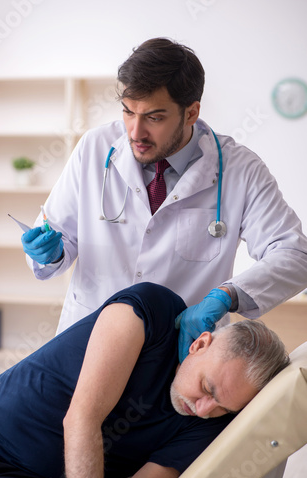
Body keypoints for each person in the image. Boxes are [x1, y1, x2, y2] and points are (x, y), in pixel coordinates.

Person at [21, 37, 307, 361]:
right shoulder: (94, 148)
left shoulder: (239, 169)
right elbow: (56, 235)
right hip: (86, 344)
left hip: (176, 356)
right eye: (128, 112)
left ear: (191, 113)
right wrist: (50, 251)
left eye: (154, 118)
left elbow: (295, 254)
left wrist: (227, 295)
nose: (135, 133)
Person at [0, 283, 289, 478]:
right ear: (200, 343)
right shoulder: (152, 312)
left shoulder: (209, 424)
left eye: (223, 407)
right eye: (207, 388)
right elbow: (81, 418)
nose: (205, 409)